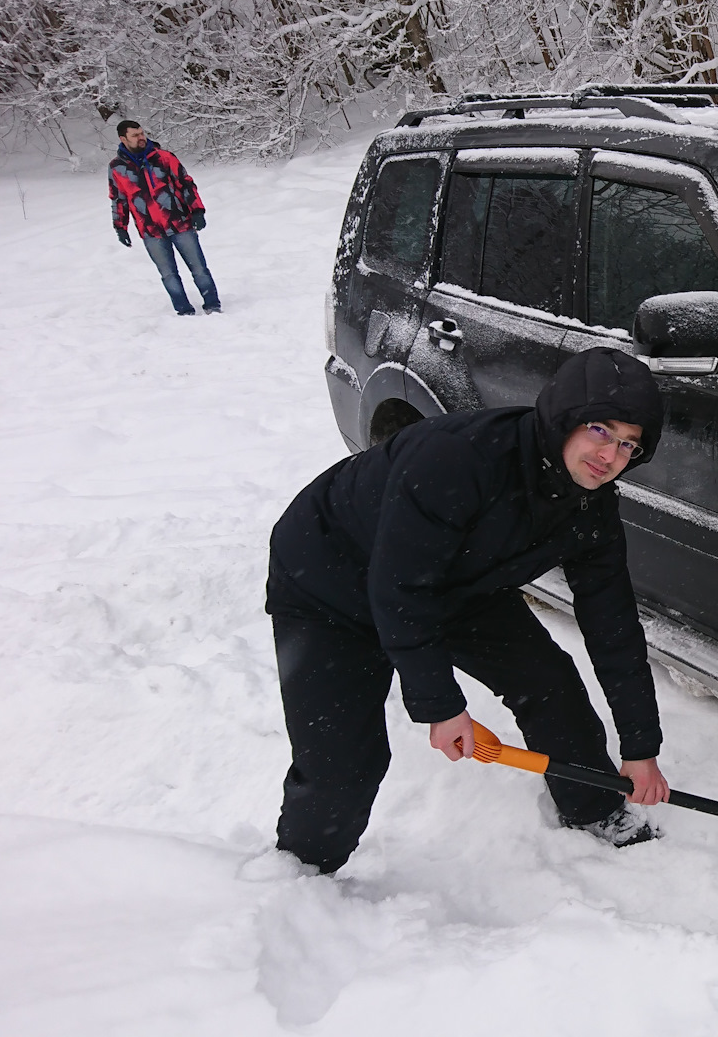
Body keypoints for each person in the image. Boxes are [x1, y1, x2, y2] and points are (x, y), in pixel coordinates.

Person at [265, 348, 669, 874]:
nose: (610, 455)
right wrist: (439, 704)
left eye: (628, 445)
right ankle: (302, 874)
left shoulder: (591, 504)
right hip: (330, 583)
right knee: (342, 763)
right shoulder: (459, 459)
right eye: (599, 429)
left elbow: (612, 624)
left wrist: (641, 745)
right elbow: (401, 589)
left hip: (455, 583)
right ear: (564, 415)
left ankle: (593, 805)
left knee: (548, 682)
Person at [108, 120, 221, 315]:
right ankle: (184, 310)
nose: (141, 137)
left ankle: (212, 305)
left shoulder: (164, 157)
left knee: (199, 268)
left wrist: (197, 211)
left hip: (180, 223)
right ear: (123, 139)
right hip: (150, 230)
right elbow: (118, 199)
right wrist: (120, 227)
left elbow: (186, 184)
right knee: (168, 274)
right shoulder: (117, 168)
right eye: (135, 135)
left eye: (142, 133)